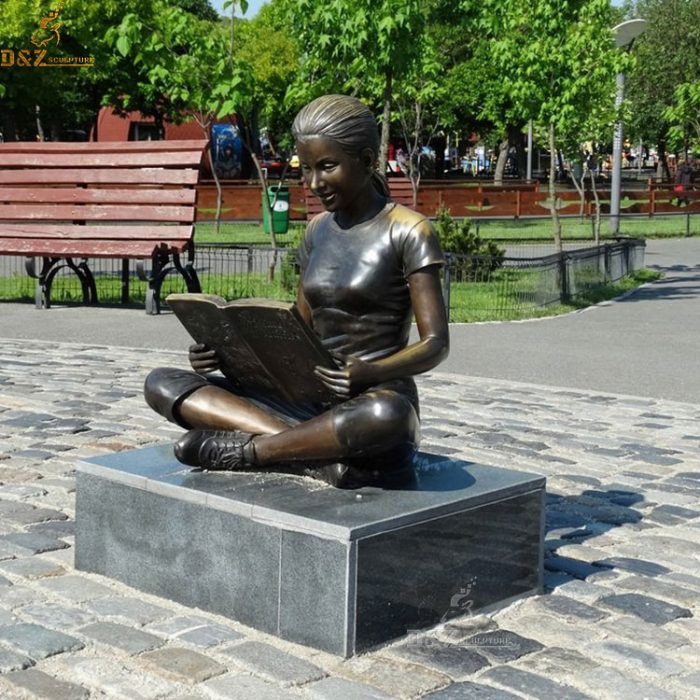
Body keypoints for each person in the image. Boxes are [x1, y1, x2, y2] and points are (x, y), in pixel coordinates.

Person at [144, 94, 449, 488]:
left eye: (326, 167)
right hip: (302, 396)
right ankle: (314, 458)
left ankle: (250, 452)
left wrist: (372, 371)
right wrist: (227, 354)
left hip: (369, 398)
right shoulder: (317, 230)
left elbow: (436, 343)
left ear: (368, 159)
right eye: (305, 168)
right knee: (162, 383)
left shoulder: (409, 231)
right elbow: (298, 326)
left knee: (388, 420)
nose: (314, 183)